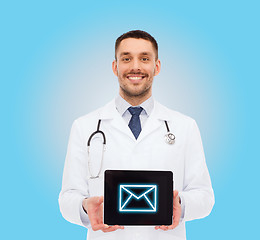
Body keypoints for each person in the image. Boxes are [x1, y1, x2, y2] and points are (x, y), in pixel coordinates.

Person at [59, 30, 214, 240]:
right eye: (126, 58)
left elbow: (205, 196)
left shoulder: (185, 126)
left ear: (156, 66)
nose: (135, 67)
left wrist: (180, 205)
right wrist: (85, 207)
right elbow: (68, 198)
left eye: (144, 58)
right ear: (115, 67)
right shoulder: (84, 126)